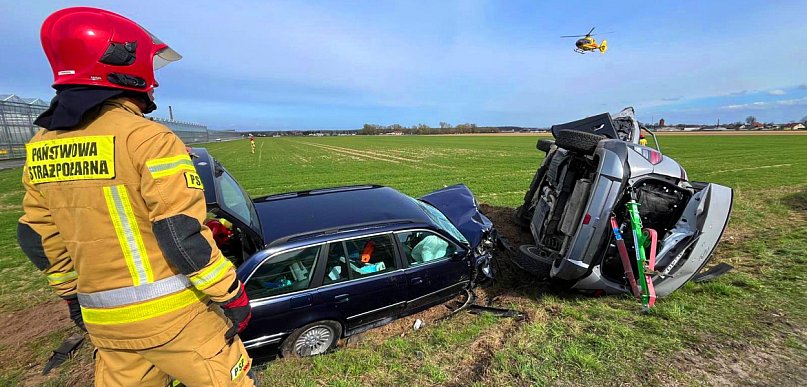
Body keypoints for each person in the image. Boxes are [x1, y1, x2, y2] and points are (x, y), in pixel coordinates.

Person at [17, 7, 256, 386]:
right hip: (175, 320)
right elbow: (181, 235)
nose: (154, 84)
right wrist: (230, 294)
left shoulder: (41, 145)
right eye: (150, 67)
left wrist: (69, 296)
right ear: (121, 62)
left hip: (105, 323)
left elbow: (36, 237)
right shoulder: (147, 139)